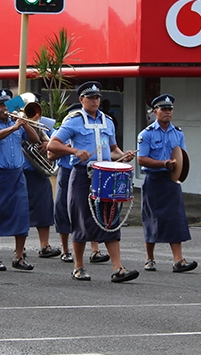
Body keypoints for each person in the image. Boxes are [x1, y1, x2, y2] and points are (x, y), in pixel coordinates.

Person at [47, 81, 139, 283]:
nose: (95, 101)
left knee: (111, 220)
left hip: (105, 175)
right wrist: (74, 151)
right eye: (91, 97)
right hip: (82, 175)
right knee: (80, 219)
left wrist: (124, 155)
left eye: (97, 97)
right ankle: (78, 266)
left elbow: (113, 149)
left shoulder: (108, 121)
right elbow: (52, 145)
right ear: (82, 100)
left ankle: (118, 268)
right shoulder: (73, 120)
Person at [0, 89, 38, 272]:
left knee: (21, 214)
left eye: (7, 105)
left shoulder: (16, 121)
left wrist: (24, 124)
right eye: (1, 105)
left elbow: (35, 140)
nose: (5, 109)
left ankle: (19, 256)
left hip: (16, 174)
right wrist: (13, 128)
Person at [137, 95, 196, 273]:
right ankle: (149, 258)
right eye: (163, 109)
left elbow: (182, 156)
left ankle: (178, 260)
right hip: (153, 180)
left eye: (170, 109)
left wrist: (177, 169)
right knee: (151, 218)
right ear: (155, 112)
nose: (167, 112)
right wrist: (163, 163)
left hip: (171, 181)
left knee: (175, 219)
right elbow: (141, 159)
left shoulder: (178, 133)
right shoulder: (146, 134)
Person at [21, 104, 62, 259]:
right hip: (22, 170)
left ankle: (45, 245)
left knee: (44, 210)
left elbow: (56, 138)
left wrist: (48, 143)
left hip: (39, 173)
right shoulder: (17, 120)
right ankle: (20, 247)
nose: (33, 113)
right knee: (22, 209)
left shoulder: (45, 123)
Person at [49, 103, 83, 263]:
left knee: (86, 210)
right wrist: (67, 147)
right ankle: (65, 249)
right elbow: (50, 155)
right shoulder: (61, 132)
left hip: (84, 172)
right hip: (66, 172)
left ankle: (95, 249)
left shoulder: (85, 130)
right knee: (62, 209)